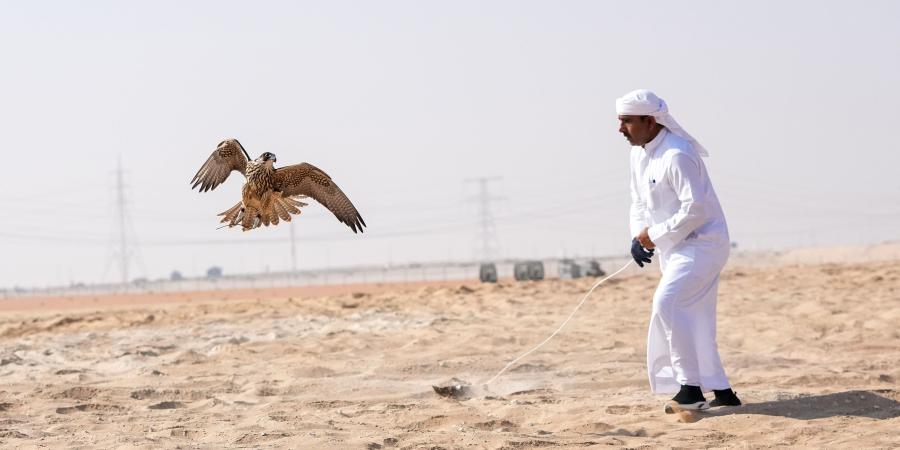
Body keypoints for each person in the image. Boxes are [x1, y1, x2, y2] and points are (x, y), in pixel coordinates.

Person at [616, 89, 741, 411]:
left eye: (627, 121)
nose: (620, 129)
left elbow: (695, 209)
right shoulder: (639, 154)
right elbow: (639, 202)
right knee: (694, 316)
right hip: (675, 248)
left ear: (649, 120)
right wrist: (637, 237)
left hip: (704, 243)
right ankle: (723, 393)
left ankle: (690, 389)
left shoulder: (677, 154)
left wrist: (653, 235)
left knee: (667, 304)